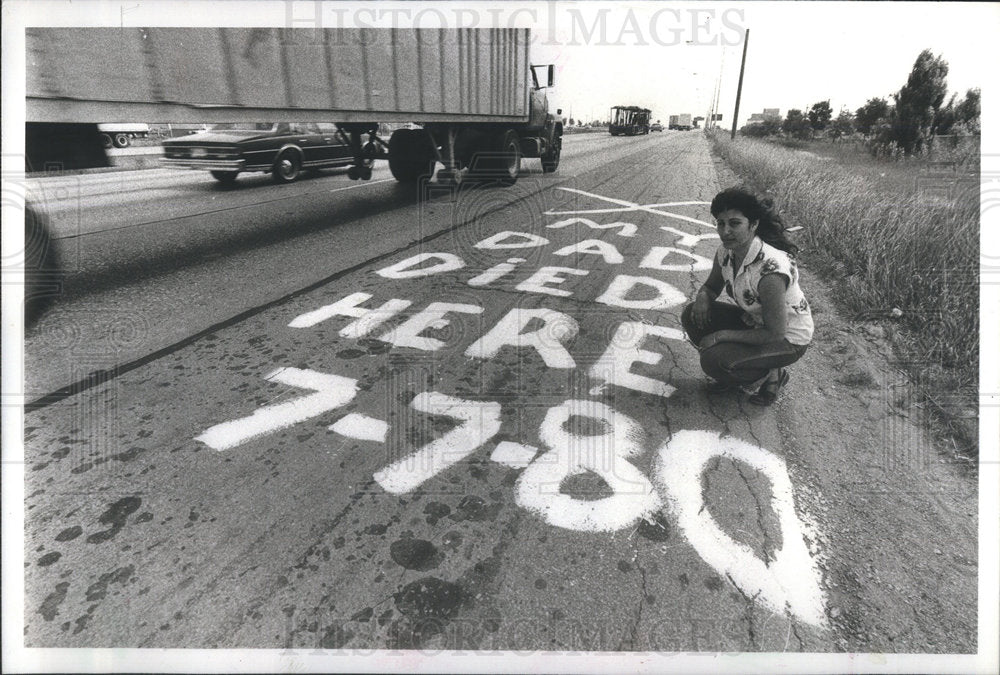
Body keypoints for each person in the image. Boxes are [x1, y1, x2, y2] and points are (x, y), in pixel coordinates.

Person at [680, 187, 813, 405]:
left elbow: (775, 333)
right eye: (720, 223)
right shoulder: (726, 251)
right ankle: (737, 371)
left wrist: (721, 335)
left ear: (753, 225)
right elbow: (712, 286)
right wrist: (703, 297)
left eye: (734, 223)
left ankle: (771, 375)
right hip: (757, 323)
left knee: (714, 360)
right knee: (691, 314)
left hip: (788, 339)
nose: (725, 231)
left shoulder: (770, 270)